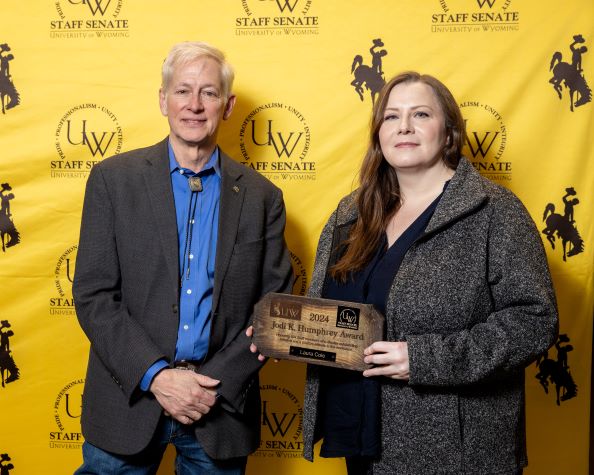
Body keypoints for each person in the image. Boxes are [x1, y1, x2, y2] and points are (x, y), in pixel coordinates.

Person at [300, 71, 558, 474]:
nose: (404, 126)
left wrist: (423, 359)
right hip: (361, 439)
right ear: (378, 133)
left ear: (449, 132)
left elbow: (533, 321)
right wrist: (287, 334)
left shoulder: (495, 212)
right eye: (391, 117)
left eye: (420, 114)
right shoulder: (349, 214)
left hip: (456, 453)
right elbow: (325, 314)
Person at [73, 41, 293, 474]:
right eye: (182, 91)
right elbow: (94, 295)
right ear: (163, 100)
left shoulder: (263, 198)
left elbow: (275, 311)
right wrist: (157, 376)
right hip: (127, 403)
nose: (194, 105)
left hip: (219, 409)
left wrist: (209, 387)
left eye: (209, 93)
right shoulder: (112, 181)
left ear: (227, 106)